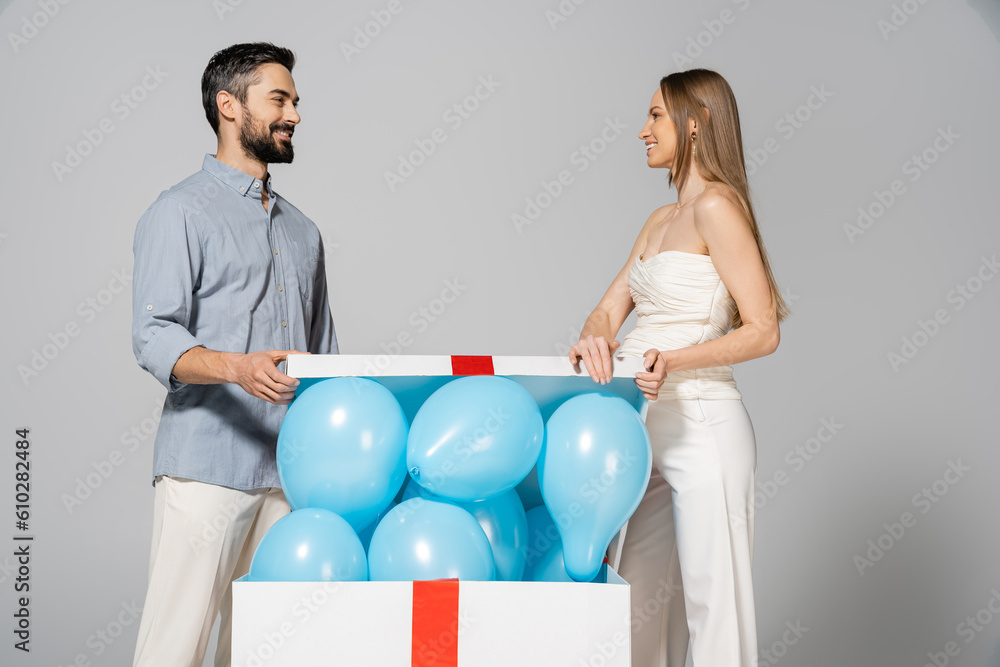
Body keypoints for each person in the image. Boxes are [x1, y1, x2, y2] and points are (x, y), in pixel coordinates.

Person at [568, 68, 788, 667]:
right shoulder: (659, 220)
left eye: (656, 116)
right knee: (636, 604)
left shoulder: (717, 207)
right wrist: (595, 340)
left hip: (701, 422)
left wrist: (674, 360)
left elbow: (763, 329)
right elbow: (608, 309)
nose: (643, 130)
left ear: (695, 124)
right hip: (643, 426)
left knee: (716, 607)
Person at [129, 42, 338, 666]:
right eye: (279, 100)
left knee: (267, 652)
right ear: (229, 105)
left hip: (289, 478)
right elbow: (152, 335)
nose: (294, 114)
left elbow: (325, 358)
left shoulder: (305, 232)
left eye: (295, 102)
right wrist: (237, 368)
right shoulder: (178, 211)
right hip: (205, 468)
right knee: (174, 650)